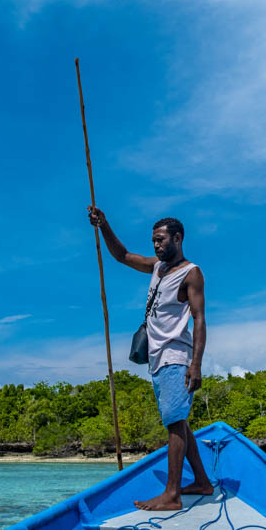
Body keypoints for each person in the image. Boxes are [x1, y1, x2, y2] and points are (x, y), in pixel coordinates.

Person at [88, 204, 214, 510]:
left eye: (161, 240)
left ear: (178, 238)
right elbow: (122, 256)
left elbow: (199, 319)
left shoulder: (191, 273)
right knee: (179, 421)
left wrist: (195, 364)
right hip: (157, 357)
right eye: (153, 241)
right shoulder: (157, 268)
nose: (156, 246)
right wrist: (103, 224)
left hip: (176, 354)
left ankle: (172, 494)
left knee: (173, 424)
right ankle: (202, 482)